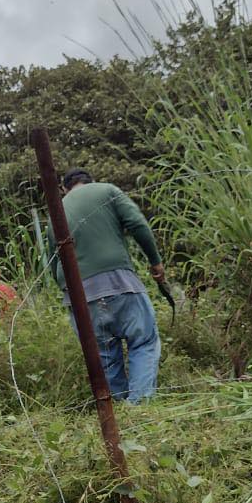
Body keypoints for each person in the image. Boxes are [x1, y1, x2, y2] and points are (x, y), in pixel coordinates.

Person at [48, 168, 165, 403]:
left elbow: (51, 261)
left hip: (79, 297)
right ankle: (140, 406)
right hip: (118, 282)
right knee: (142, 340)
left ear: (64, 188)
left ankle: (119, 412)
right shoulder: (107, 190)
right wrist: (155, 262)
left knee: (105, 356)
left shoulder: (56, 211)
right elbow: (137, 224)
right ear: (90, 181)